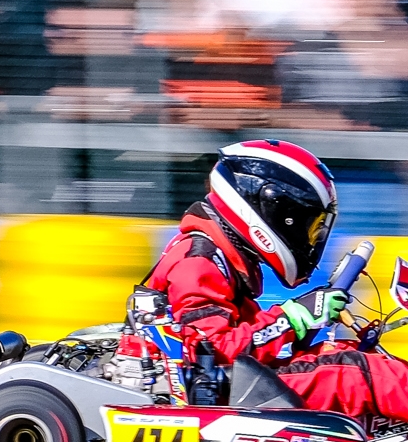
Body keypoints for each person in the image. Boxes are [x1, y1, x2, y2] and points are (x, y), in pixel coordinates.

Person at [137, 139, 408, 421]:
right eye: (305, 224)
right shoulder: (198, 261)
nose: (309, 238)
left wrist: (304, 317)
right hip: (216, 394)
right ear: (271, 209)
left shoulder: (220, 256)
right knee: (356, 372)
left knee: (344, 351)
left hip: (234, 383)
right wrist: (292, 318)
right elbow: (215, 350)